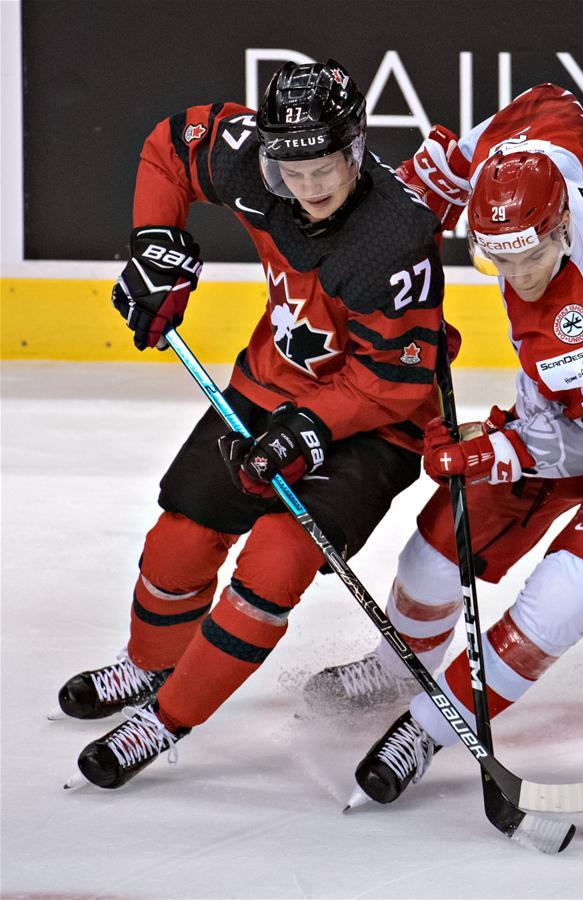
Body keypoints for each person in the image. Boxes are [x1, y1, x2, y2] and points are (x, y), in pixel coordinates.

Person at [305, 83, 583, 805]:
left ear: (561, 232)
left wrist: (494, 451)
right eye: (497, 261)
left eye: (530, 260)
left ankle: (429, 726)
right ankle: (396, 668)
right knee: (435, 547)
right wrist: (443, 174)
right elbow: (553, 105)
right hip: (568, 412)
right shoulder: (541, 175)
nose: (516, 277)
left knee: (561, 598)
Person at [57, 59, 457, 790]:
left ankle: (166, 719)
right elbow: (169, 146)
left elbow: (395, 385)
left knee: (276, 558)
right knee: (181, 529)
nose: (306, 189)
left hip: (374, 423)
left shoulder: (394, 238)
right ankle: (149, 665)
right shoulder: (250, 156)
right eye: (290, 172)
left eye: (324, 170)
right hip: (271, 384)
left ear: (357, 151)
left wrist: (310, 428)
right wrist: (157, 243)